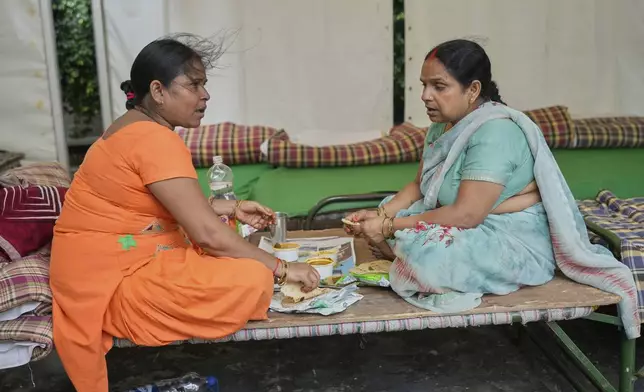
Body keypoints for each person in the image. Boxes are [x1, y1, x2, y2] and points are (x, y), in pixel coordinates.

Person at [50, 34, 320, 392]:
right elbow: (208, 234)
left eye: (204, 85)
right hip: (111, 288)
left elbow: (152, 206)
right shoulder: (154, 139)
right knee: (251, 278)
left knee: (239, 259)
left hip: (104, 267)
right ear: (158, 91)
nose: (205, 95)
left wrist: (233, 207)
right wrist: (284, 269)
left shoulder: (131, 127)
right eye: (194, 85)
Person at [345, 39, 555, 313]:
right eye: (423, 85)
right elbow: (420, 186)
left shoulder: (495, 132)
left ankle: (401, 254)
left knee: (432, 255)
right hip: (458, 216)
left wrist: (390, 228)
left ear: (473, 90)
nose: (425, 96)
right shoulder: (442, 126)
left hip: (508, 233)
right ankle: (401, 253)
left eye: (439, 86)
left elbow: (467, 215)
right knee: (397, 208)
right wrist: (381, 214)